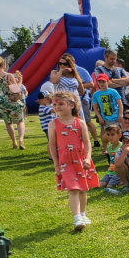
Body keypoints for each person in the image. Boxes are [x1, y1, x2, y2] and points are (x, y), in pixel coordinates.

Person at [48, 91, 99, 231]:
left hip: (80, 159)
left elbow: (87, 143)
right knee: (73, 188)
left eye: (61, 104)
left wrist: (87, 158)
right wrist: (56, 164)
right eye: (54, 104)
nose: (57, 107)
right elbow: (52, 145)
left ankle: (83, 214)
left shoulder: (80, 122)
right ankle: (77, 218)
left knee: (82, 188)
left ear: (71, 105)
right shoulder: (53, 124)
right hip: (65, 162)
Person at [0, 57, 26, 148]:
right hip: (12, 101)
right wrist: (20, 81)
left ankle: (14, 142)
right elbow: (16, 89)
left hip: (2, 103)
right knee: (20, 121)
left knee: (8, 123)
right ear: (3, 64)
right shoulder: (8, 76)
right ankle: (21, 140)